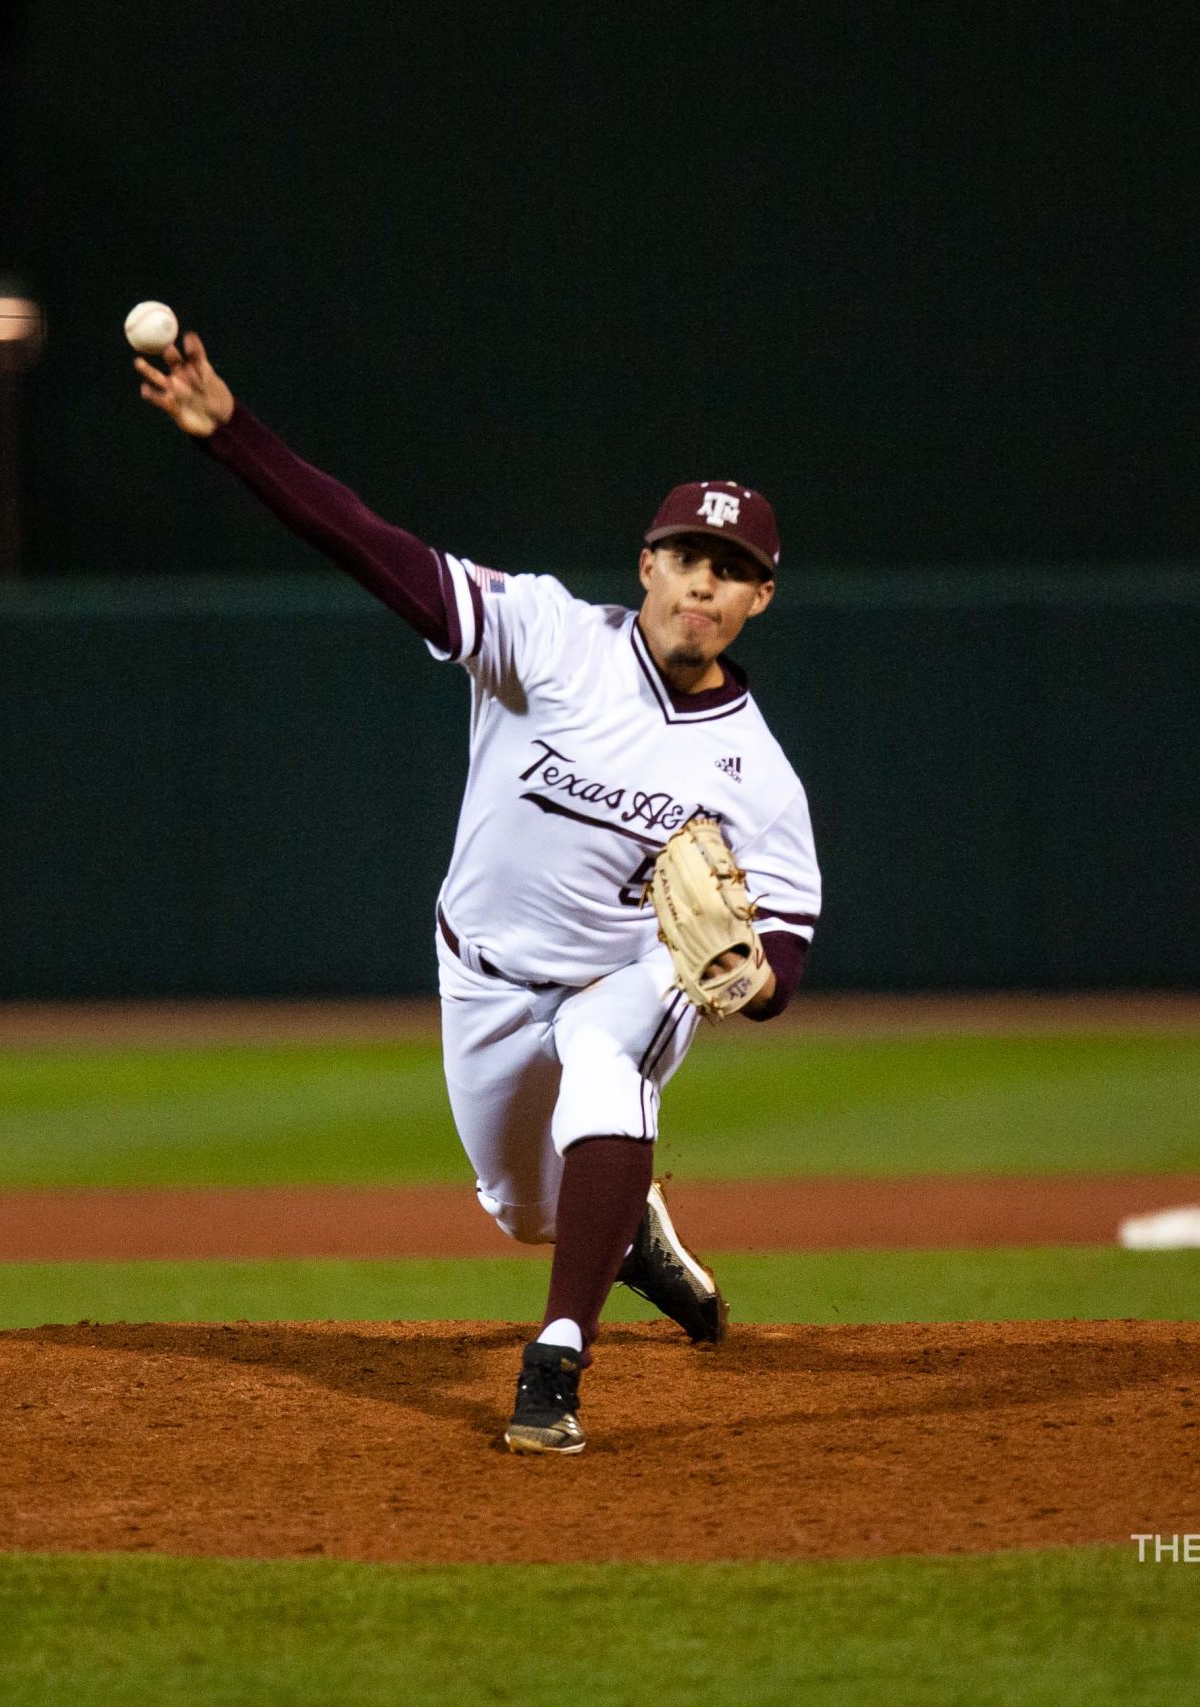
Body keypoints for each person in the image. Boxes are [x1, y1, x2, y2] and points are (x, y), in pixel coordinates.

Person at [137, 331, 822, 1453]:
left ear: (760, 598)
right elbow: (371, 546)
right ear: (644, 563)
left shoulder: (756, 768)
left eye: (732, 568)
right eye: (687, 554)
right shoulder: (545, 636)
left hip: (622, 967)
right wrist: (230, 433)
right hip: (483, 970)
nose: (705, 580)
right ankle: (626, 1237)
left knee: (610, 1066)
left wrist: (755, 982)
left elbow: (784, 938)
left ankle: (555, 1361)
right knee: (522, 1210)